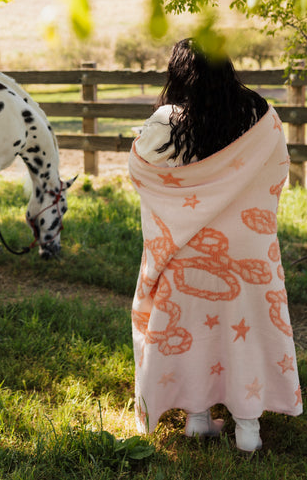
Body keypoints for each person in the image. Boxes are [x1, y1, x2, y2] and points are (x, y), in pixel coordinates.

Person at [128, 39, 303, 453]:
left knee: (189, 331)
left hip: (185, 248)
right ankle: (248, 431)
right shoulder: (261, 114)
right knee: (248, 332)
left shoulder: (168, 120)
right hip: (248, 250)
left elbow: (140, 169)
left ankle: (198, 420)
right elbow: (279, 171)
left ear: (178, 73)